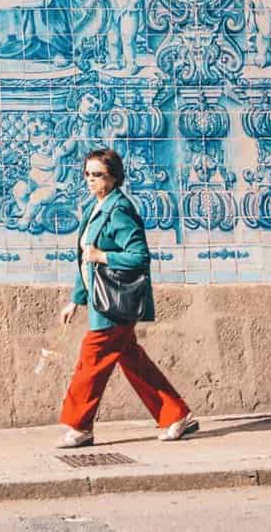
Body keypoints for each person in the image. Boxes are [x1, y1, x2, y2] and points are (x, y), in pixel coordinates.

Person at [57, 148, 197, 448]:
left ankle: (81, 426)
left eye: (98, 175)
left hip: (114, 304)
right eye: (88, 174)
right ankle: (176, 415)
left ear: (114, 177)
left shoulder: (119, 210)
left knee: (91, 361)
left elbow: (138, 257)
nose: (91, 181)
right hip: (100, 301)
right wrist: (76, 300)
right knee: (132, 361)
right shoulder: (97, 207)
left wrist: (103, 255)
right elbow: (85, 261)